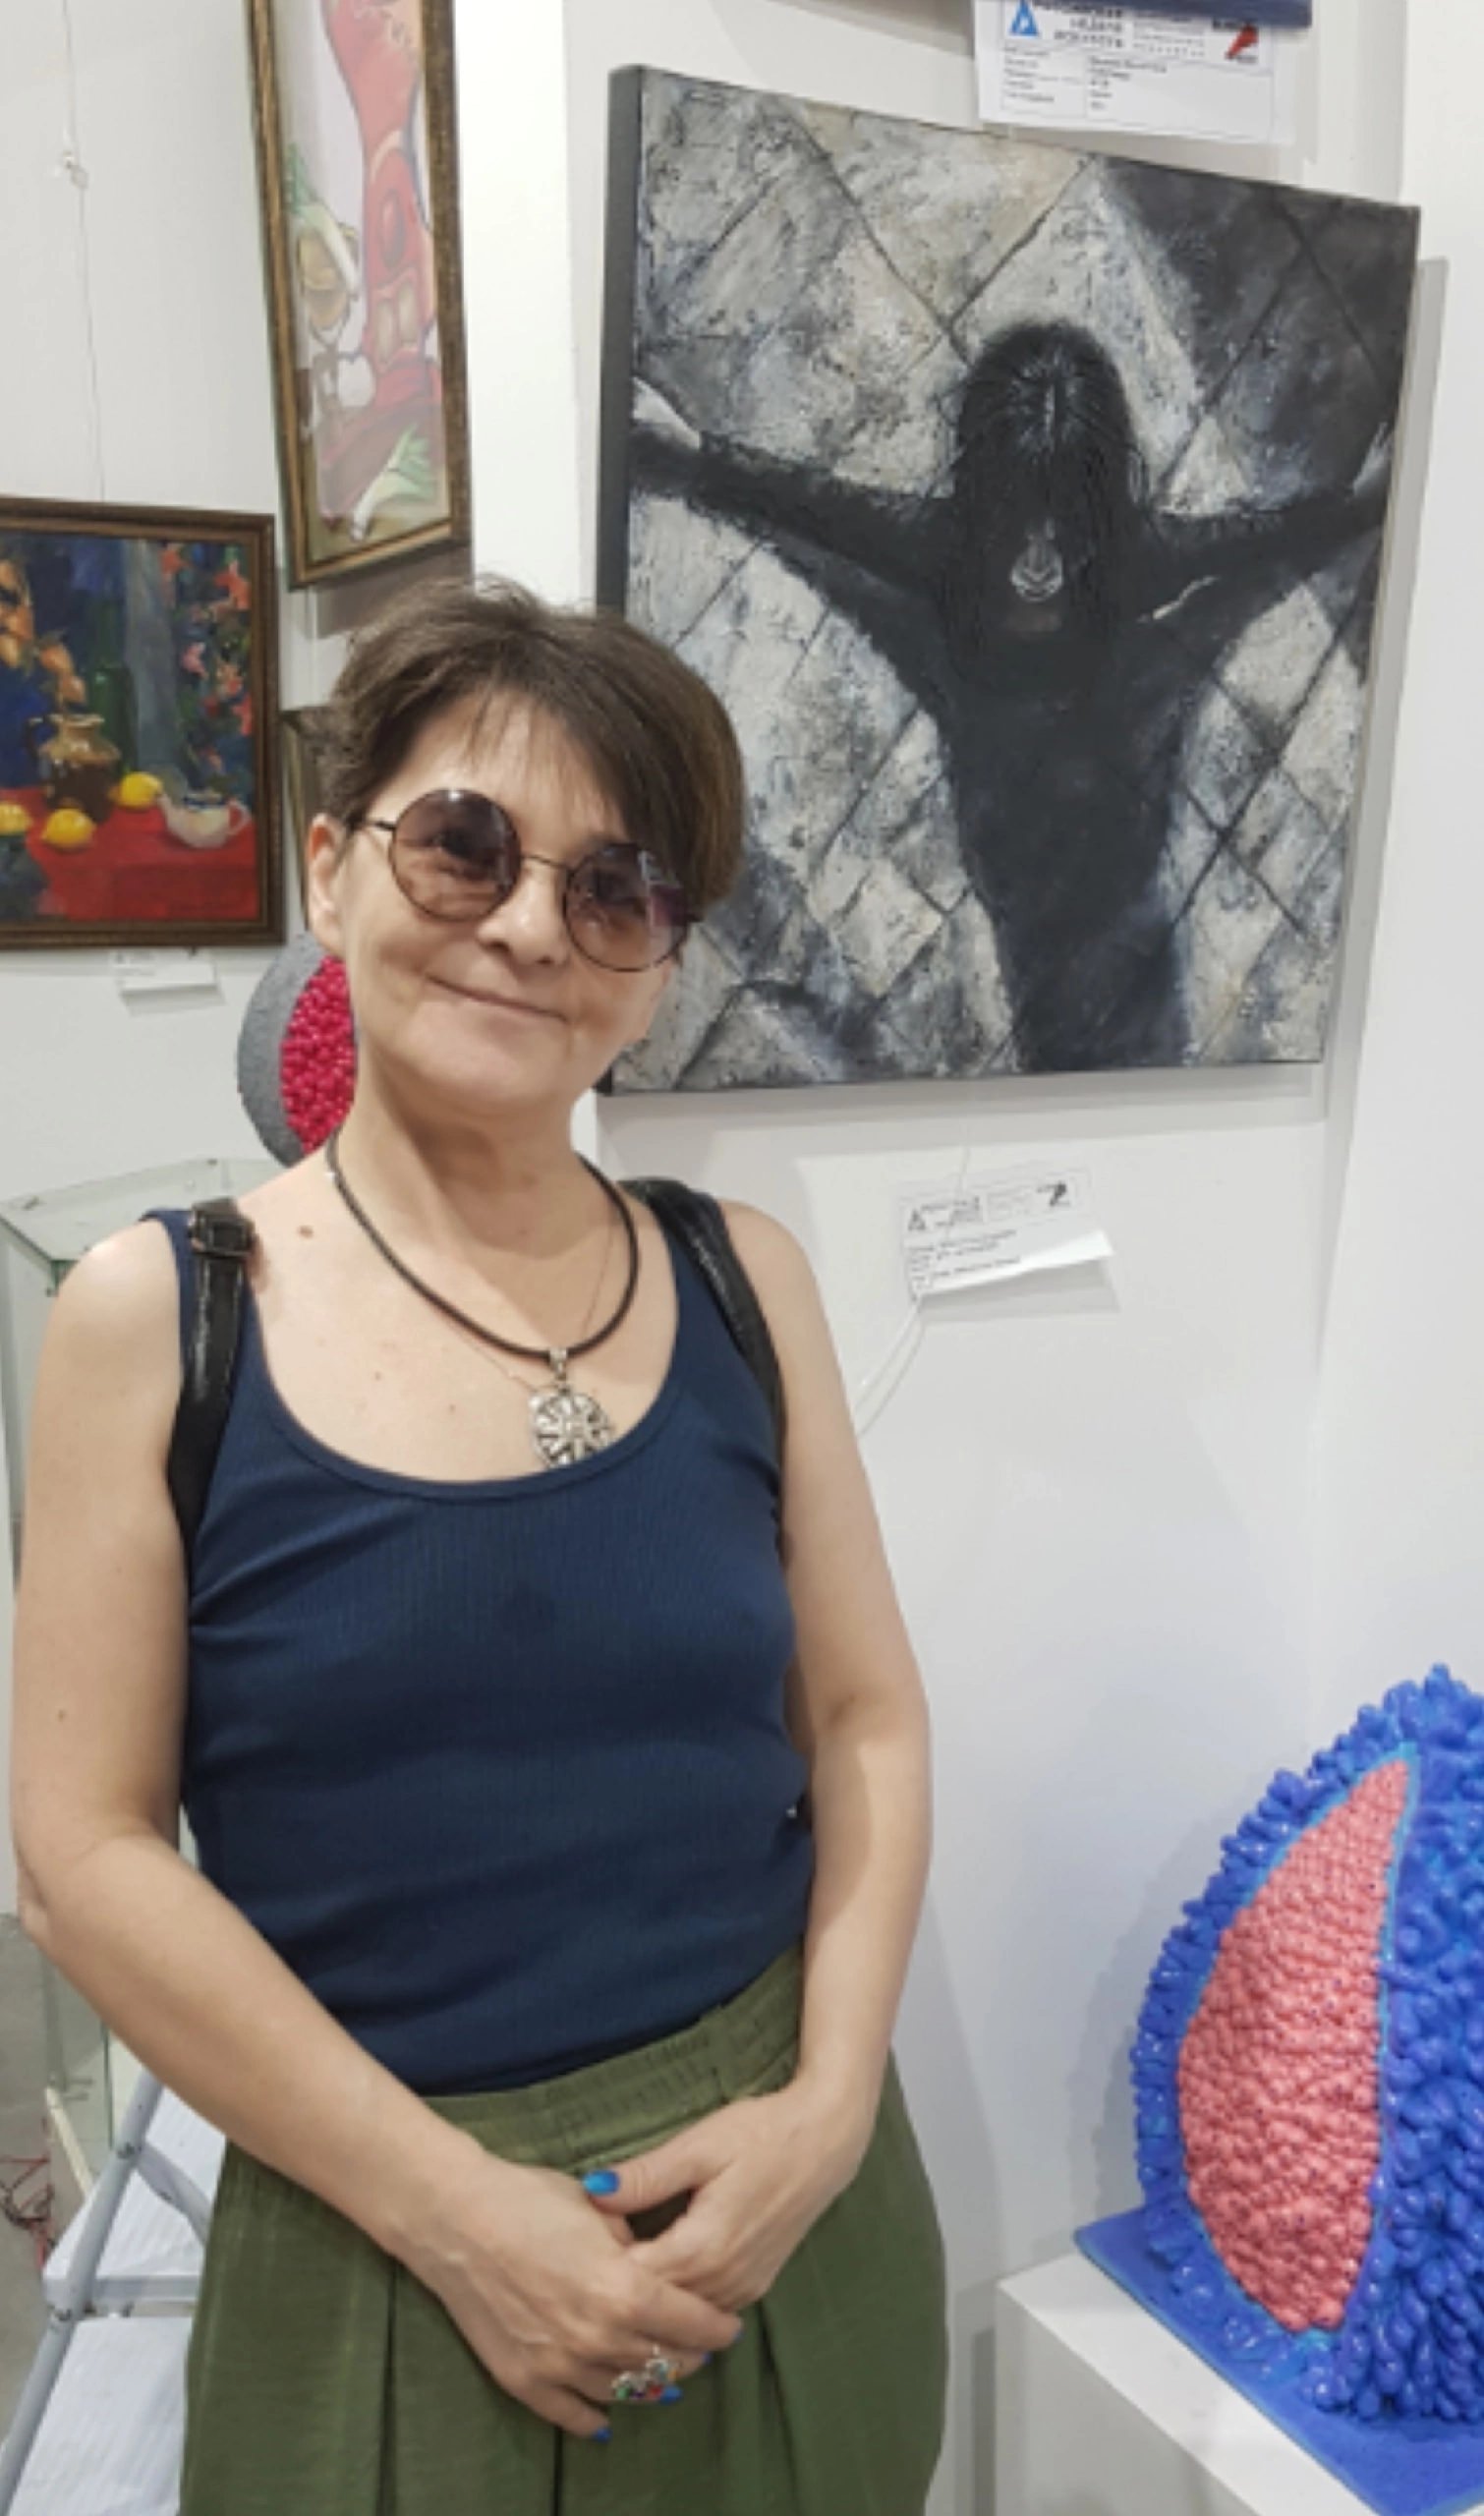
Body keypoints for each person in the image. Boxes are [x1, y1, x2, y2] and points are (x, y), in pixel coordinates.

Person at [10, 577, 948, 2514]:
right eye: (463, 845)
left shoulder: (738, 1276)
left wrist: (831, 2101)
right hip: (390, 2240)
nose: (530, 925)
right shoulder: (160, 1316)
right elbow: (85, 1855)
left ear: (660, 960)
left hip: (785, 2207)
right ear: (332, 865)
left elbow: (861, 1715)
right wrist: (452, 2211)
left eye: (614, 888)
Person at [630, 319, 1395, 1071]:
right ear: (987, 501)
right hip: (999, 798)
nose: (1038, 559)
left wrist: (1358, 506)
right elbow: (823, 507)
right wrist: (696, 455)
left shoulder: (1130, 556)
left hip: (1105, 829)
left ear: (1095, 508)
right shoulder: (944, 547)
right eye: (1018, 522)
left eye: (1063, 526)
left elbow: (1241, 541)